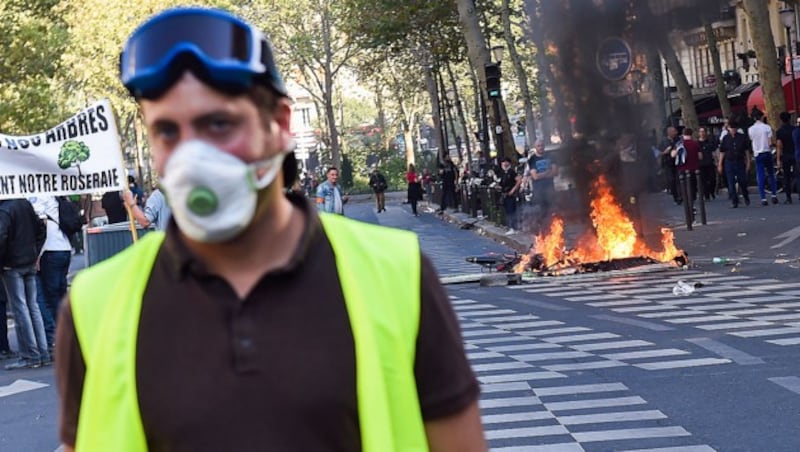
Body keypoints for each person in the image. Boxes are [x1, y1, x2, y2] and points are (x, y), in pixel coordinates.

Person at [55, 8, 485, 451]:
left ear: (280, 124)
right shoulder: (94, 305)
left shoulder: (399, 275)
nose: (192, 157)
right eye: (167, 131)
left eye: (218, 124)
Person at [0, 198, 49, 370]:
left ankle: (31, 356)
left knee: (21, 310)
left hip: (12, 265)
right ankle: (43, 353)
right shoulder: (24, 203)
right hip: (29, 261)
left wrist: (2, 263)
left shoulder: (4, 210)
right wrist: (35, 253)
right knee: (32, 308)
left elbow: (1, 238)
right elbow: (41, 228)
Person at [30, 195, 72, 351]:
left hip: (49, 251)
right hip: (64, 248)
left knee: (48, 299)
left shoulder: (37, 197)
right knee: (60, 296)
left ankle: (57, 340)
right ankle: (68, 335)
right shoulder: (54, 196)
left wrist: (37, 255)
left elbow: (43, 224)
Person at [719, 118, 752, 208]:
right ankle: (734, 200)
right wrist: (720, 164)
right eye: (731, 128)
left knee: (742, 181)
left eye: (734, 128)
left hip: (740, 161)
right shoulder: (726, 138)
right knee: (731, 182)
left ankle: (745, 195)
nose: (733, 130)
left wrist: (748, 162)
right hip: (729, 161)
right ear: (729, 128)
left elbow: (746, 151)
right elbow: (722, 151)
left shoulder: (742, 137)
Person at [748, 109, 778, 205]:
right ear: (761, 117)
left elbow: (751, 140)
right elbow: (769, 142)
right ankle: (774, 194)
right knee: (771, 174)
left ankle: (763, 198)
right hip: (767, 152)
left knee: (760, 175)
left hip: (757, 153)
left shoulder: (751, 129)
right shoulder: (767, 127)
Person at [528, 139, 558, 231]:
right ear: (535, 147)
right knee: (541, 210)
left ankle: (552, 228)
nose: (540, 147)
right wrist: (547, 172)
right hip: (539, 190)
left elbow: (555, 172)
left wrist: (542, 174)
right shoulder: (532, 159)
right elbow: (535, 176)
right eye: (538, 146)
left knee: (552, 209)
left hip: (550, 188)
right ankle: (543, 229)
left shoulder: (551, 156)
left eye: (542, 145)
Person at [673, 128, 701, 214]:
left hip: (682, 169)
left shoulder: (679, 144)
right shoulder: (695, 144)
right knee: (692, 188)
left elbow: (673, 155)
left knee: (683, 187)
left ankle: (686, 205)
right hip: (693, 169)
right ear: (691, 134)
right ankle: (692, 204)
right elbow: (700, 156)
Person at [775, 111, 796, 204]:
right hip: (795, 154)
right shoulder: (795, 129)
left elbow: (779, 146)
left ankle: (788, 197)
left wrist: (778, 159)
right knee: (798, 175)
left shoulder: (779, 131)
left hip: (786, 155)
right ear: (789, 119)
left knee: (786, 177)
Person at [498, 157, 521, 234]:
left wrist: (513, 190)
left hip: (510, 195)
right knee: (508, 211)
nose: (504, 163)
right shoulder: (503, 173)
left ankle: (513, 228)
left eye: (506, 162)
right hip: (505, 195)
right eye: (503, 162)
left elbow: (519, 180)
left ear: (509, 163)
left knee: (511, 211)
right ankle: (512, 227)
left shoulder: (511, 172)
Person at [660, 126, 682, 205]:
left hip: (677, 163)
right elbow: (659, 153)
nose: (676, 133)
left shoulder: (678, 140)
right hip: (668, 164)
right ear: (669, 132)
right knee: (671, 180)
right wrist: (665, 152)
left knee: (679, 180)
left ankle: (680, 196)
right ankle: (675, 196)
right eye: (674, 131)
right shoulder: (663, 141)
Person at [697, 127, 718, 200]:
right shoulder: (697, 143)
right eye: (700, 132)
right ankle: (706, 195)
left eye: (703, 132)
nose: (702, 133)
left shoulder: (710, 142)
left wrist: (716, 161)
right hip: (701, 164)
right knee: (703, 181)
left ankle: (711, 191)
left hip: (710, 163)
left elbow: (715, 151)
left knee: (712, 179)